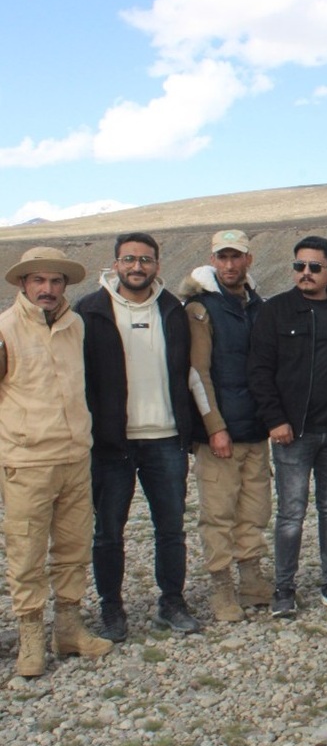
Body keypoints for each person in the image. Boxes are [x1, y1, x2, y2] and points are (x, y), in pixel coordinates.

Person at [76, 233, 199, 640]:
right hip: (112, 442)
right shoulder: (91, 311)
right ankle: (111, 607)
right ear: (115, 264)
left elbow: (191, 372)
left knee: (170, 528)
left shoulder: (172, 309)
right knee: (109, 530)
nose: (136, 267)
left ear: (157, 265)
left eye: (145, 260)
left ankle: (172, 601)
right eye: (129, 259)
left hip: (165, 437)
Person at [0, 248, 113, 677]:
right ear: (23, 284)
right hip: (26, 461)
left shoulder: (75, 326)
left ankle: (68, 627)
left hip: (74, 456)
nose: (47, 289)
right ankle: (30, 636)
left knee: (72, 546)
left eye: (56, 281)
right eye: (39, 281)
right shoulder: (5, 330)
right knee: (26, 551)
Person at [247, 235, 327, 618]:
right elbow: (259, 370)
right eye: (299, 266)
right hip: (292, 432)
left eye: (315, 267)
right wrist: (275, 420)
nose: (306, 273)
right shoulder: (276, 311)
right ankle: (284, 587)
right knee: (291, 513)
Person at [180, 229, 272, 622]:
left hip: (255, 427)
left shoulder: (256, 304)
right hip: (221, 431)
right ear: (213, 259)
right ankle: (221, 588)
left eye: (237, 257)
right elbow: (197, 372)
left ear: (249, 259)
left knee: (255, 509)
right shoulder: (200, 308)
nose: (230, 265)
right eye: (223, 257)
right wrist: (214, 426)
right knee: (218, 512)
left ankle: (251, 580)